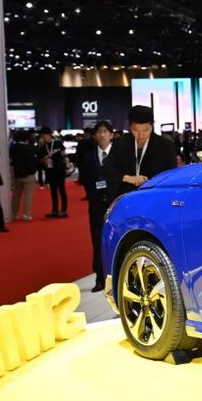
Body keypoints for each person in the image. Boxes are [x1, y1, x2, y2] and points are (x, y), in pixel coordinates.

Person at [78, 121, 119, 292]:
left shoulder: (119, 155)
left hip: (115, 203)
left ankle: (117, 275)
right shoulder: (88, 157)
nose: (102, 135)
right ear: (95, 135)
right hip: (95, 204)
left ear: (111, 134)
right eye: (99, 132)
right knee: (97, 239)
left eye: (105, 131)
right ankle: (100, 277)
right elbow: (85, 179)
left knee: (116, 238)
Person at [103, 105, 177, 198]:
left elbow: (172, 175)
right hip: (126, 197)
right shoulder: (120, 143)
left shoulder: (166, 145)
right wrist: (127, 178)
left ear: (152, 124)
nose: (141, 135)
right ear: (129, 125)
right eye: (136, 130)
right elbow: (107, 169)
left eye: (146, 130)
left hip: (155, 197)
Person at [37, 127, 69, 218]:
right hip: (50, 171)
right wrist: (45, 159)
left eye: (44, 135)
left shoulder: (58, 143)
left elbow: (64, 155)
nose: (43, 137)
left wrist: (67, 167)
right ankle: (55, 210)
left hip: (59, 170)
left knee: (62, 190)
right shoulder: (43, 147)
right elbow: (40, 160)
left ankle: (64, 210)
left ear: (49, 135)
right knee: (53, 191)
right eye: (42, 136)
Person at [9, 130, 38, 220]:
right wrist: (33, 171)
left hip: (17, 174)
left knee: (16, 195)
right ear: (27, 139)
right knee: (28, 195)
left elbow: (11, 161)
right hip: (28, 174)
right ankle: (26, 214)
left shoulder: (12, 148)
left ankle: (14, 214)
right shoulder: (29, 148)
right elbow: (32, 161)